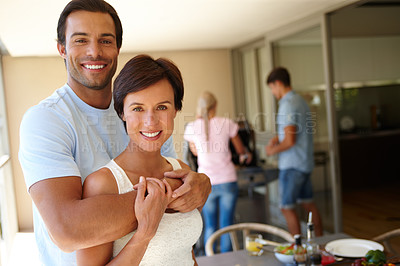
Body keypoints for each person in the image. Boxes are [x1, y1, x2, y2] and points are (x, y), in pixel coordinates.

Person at [18, 1, 210, 265]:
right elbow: (68, 231)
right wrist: (172, 192)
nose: (94, 51)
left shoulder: (139, 116)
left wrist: (199, 182)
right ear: (62, 48)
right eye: (81, 40)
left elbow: (173, 178)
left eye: (106, 41)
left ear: (118, 47)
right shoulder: (46, 120)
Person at [76, 54, 203, 265]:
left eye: (162, 107)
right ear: (122, 112)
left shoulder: (180, 170)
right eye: (138, 108)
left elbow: (186, 254)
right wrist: (144, 233)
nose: (150, 121)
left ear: (176, 110)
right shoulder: (103, 184)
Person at [184, 91, 252, 253]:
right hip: (227, 179)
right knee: (226, 225)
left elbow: (194, 153)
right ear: (215, 106)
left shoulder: (192, 127)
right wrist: (245, 157)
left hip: (206, 183)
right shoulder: (227, 123)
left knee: (210, 226)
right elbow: (241, 151)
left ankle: (210, 260)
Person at [265, 67, 323, 236]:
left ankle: (296, 250)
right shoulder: (300, 101)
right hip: (304, 163)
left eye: (272, 88)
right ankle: (320, 244)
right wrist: (278, 137)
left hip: (292, 166)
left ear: (278, 83)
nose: (273, 92)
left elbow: (290, 141)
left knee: (286, 207)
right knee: (308, 205)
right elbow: (293, 131)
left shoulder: (287, 104)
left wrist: (272, 151)